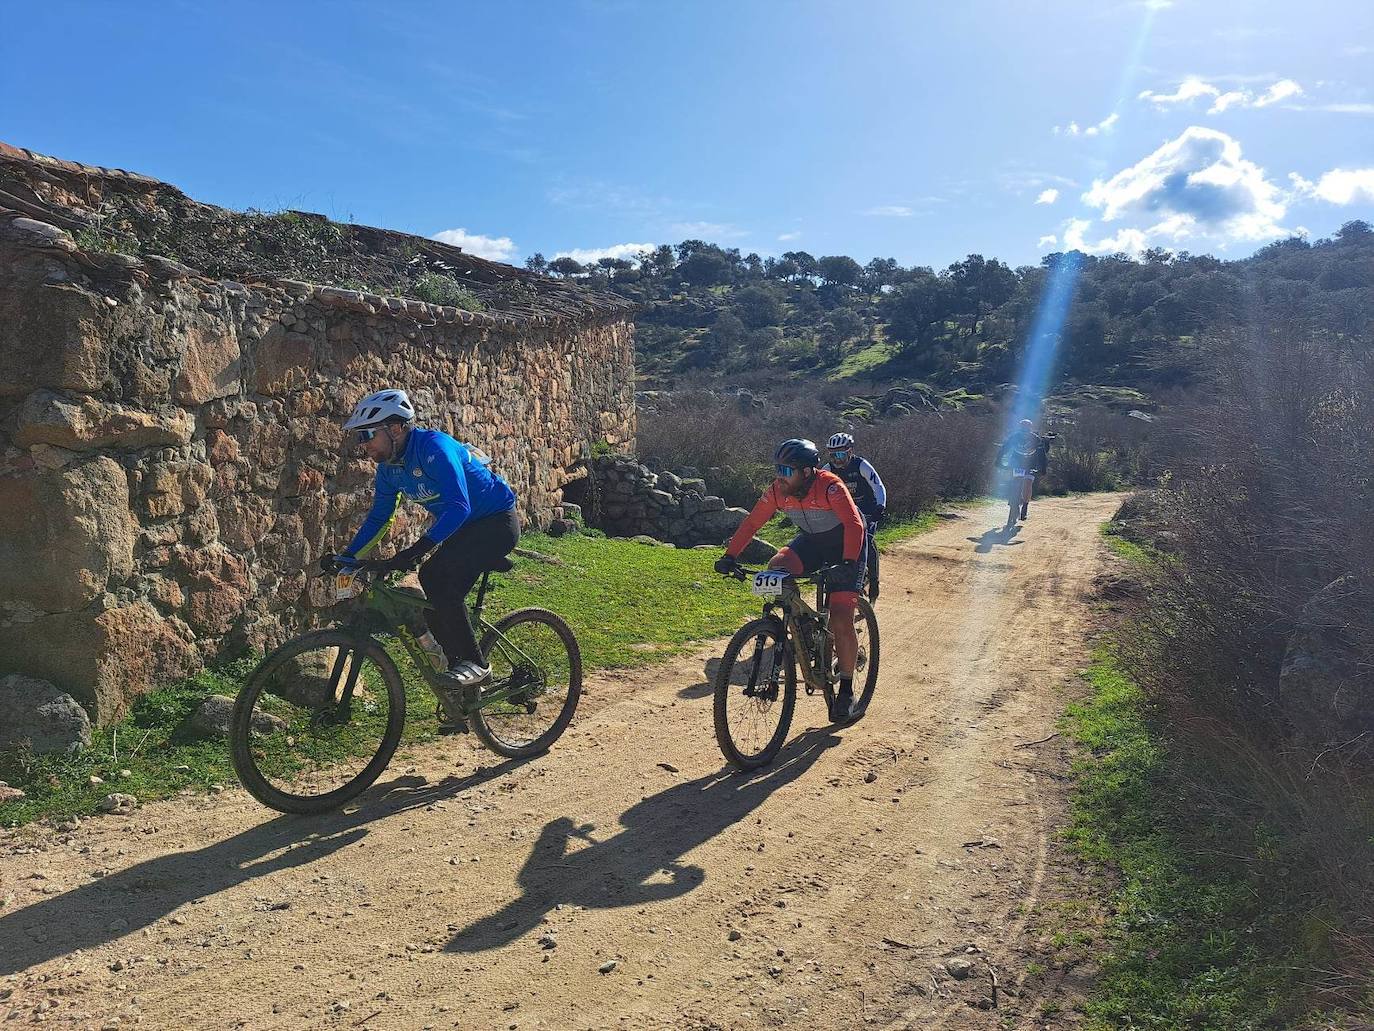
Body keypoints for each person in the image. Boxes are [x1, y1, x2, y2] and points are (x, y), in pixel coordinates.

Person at [336, 388, 519, 689]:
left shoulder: (435, 449)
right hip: (463, 527)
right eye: (359, 437)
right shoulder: (389, 470)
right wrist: (348, 557)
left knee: (435, 576)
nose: (363, 444)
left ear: (395, 429)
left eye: (367, 434)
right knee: (434, 602)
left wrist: (417, 549)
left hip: (496, 522)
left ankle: (476, 665)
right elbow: (380, 518)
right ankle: (461, 685)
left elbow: (459, 506)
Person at [714, 439, 868, 721]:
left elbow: (854, 524)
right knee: (777, 567)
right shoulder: (777, 491)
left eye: (786, 471)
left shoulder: (830, 486)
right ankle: (803, 626)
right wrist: (730, 556)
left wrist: (847, 563)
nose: (779, 477)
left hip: (846, 544)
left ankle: (846, 688)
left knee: (841, 615)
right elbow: (751, 524)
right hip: (812, 542)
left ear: (807, 472)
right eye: (777, 470)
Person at [822, 431, 887, 601]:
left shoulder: (861, 465)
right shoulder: (828, 469)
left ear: (850, 452)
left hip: (867, 509)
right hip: (845, 511)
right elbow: (818, 491)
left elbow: (878, 487)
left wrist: (880, 507)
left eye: (841, 454)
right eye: (833, 455)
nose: (837, 459)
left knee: (867, 540)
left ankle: (874, 582)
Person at [997, 418, 1047, 524]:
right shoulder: (1014, 436)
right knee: (1014, 481)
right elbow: (1004, 448)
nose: (1025, 430)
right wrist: (998, 460)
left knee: (1028, 483)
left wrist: (1043, 468)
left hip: (1030, 464)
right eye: (1023, 427)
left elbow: (1042, 454)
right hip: (1017, 463)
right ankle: (1012, 498)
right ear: (1020, 427)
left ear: (1030, 428)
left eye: (1027, 428)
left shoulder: (1035, 438)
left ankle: (1025, 506)